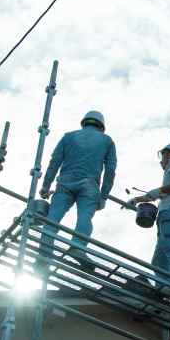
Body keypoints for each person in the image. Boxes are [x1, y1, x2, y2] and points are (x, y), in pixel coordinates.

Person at [39, 111, 116, 269]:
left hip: (65, 182)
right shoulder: (107, 141)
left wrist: (46, 185)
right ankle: (77, 247)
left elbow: (55, 161)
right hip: (89, 185)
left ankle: (45, 250)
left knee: (53, 216)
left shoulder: (68, 137)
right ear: (101, 126)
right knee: (85, 217)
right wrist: (103, 196)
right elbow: (110, 170)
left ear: (84, 122)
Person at [130, 141, 170, 298]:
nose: (161, 159)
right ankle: (163, 290)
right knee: (158, 261)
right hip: (168, 213)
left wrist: (156, 192)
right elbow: (162, 193)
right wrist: (137, 200)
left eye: (163, 154)